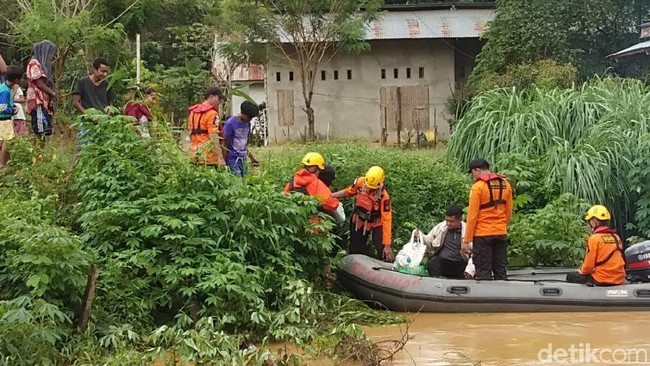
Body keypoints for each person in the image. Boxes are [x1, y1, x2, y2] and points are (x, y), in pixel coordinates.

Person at [464, 158, 513, 280]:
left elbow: (472, 216)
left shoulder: (478, 187)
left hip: (482, 234)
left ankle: (484, 297)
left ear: (477, 170)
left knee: (483, 271)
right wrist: (502, 227)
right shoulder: (505, 184)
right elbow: (508, 211)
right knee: (500, 269)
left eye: (472, 173)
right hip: (500, 232)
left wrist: (467, 240)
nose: (473, 176)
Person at [332, 166, 394, 262]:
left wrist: (387, 245)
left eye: (373, 188)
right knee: (356, 248)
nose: (370, 190)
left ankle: (386, 263)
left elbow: (387, 220)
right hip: (359, 220)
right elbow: (348, 192)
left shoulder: (384, 197)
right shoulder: (360, 183)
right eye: (369, 187)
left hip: (376, 222)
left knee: (382, 248)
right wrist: (331, 196)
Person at [566, 205, 625, 286]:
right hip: (619, 278)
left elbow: (588, 267)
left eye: (590, 221)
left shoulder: (594, 239)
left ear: (594, 221)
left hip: (602, 278)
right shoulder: (616, 237)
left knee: (570, 276)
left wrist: (580, 271)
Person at [413, 204, 476, 279]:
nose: (448, 223)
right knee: (432, 263)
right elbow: (429, 240)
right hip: (443, 262)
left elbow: (476, 253)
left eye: (451, 221)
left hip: (460, 264)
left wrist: (470, 269)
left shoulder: (468, 231)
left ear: (459, 220)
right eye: (447, 220)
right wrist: (420, 236)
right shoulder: (441, 227)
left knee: (469, 271)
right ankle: (436, 282)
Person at [284, 152, 344, 224]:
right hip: (314, 226)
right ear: (315, 168)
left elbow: (284, 200)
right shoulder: (317, 184)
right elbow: (331, 205)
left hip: (295, 224)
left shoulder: (291, 182)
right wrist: (337, 201)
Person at [26, 40, 57, 140]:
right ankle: (38, 154)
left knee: (45, 129)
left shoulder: (41, 64)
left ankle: (41, 154)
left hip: (43, 100)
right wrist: (52, 93)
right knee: (40, 130)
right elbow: (39, 84)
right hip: (37, 100)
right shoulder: (34, 63)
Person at [188, 86, 227, 167]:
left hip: (194, 155)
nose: (219, 102)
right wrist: (220, 157)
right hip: (209, 158)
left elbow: (190, 133)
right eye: (219, 98)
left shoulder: (193, 112)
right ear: (211, 97)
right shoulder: (212, 113)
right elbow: (213, 136)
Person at [222, 101, 260, 177]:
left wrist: (252, 158)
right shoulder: (230, 123)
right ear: (243, 113)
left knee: (245, 183)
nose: (250, 119)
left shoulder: (247, 124)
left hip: (243, 160)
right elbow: (224, 144)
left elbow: (243, 144)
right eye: (249, 117)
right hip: (233, 161)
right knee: (237, 184)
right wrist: (223, 162)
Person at [0, 66, 24, 168]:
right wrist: (12, 110)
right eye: (21, 78)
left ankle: (5, 164)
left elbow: (7, 103)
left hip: (6, 118)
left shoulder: (6, 88)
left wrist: (13, 106)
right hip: (4, 119)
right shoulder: (5, 91)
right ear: (16, 80)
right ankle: (2, 165)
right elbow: (2, 107)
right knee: (7, 141)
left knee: (8, 141)